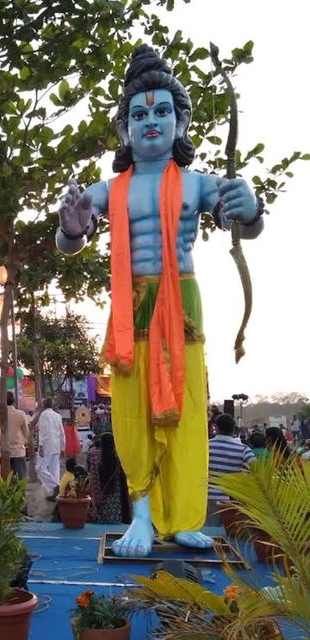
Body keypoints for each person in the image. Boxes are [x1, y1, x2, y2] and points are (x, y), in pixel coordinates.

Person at [56, 45, 262, 557]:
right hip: (131, 308)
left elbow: (247, 225)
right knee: (133, 412)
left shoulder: (198, 184)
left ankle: (185, 517)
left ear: (181, 120)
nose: (151, 121)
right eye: (139, 113)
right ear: (125, 129)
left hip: (183, 302)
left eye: (162, 110)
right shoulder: (109, 190)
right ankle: (142, 517)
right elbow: (72, 237)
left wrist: (251, 207)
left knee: (187, 411)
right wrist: (71, 227)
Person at [206, 414, 255, 526]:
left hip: (208, 498)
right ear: (233, 429)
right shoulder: (243, 449)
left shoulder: (206, 446)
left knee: (210, 535)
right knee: (231, 537)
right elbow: (257, 471)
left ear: (216, 427)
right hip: (232, 501)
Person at [87, 432, 130, 524]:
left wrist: (95, 499)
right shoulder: (119, 460)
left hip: (101, 501)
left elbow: (93, 482)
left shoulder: (95, 461)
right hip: (116, 502)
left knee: (101, 526)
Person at [36, 398, 65, 501]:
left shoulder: (43, 415)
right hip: (56, 444)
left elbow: (43, 432)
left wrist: (41, 446)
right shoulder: (58, 416)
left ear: (44, 405)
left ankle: (55, 486)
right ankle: (56, 493)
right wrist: (62, 446)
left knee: (40, 468)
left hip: (47, 444)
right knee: (54, 469)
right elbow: (62, 432)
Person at [6, 390, 29, 480]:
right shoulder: (20, 414)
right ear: (14, 401)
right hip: (18, 451)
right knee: (20, 480)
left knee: (7, 481)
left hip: (4, 453)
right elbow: (26, 433)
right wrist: (23, 442)